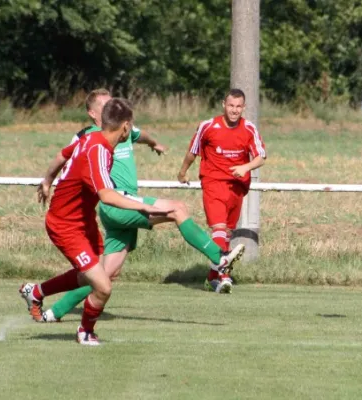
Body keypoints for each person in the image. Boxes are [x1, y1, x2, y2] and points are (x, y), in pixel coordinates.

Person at [19, 92, 245, 333]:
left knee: (102, 276)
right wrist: (47, 180)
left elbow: (140, 135)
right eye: (105, 106)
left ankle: (49, 305)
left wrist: (154, 143)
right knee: (177, 209)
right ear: (94, 114)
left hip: (116, 208)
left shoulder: (123, 134)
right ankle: (218, 257)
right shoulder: (91, 139)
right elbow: (71, 163)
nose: (111, 110)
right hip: (117, 205)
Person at [19, 98, 170, 345]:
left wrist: (47, 181)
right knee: (103, 286)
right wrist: (143, 205)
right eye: (130, 127)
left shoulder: (90, 138)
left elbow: (61, 155)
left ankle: (35, 292)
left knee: (98, 274)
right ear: (125, 126)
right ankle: (85, 332)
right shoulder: (98, 148)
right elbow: (107, 195)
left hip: (83, 220)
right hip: (65, 225)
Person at [177, 88, 266, 293]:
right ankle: (225, 275)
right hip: (213, 182)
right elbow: (193, 152)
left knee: (226, 233)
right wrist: (182, 172)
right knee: (218, 228)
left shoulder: (249, 129)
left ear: (243, 108)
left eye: (238, 106)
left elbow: (261, 156)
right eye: (230, 105)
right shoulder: (208, 126)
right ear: (223, 105)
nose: (234, 110)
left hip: (237, 187)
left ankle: (211, 277)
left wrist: (245, 167)